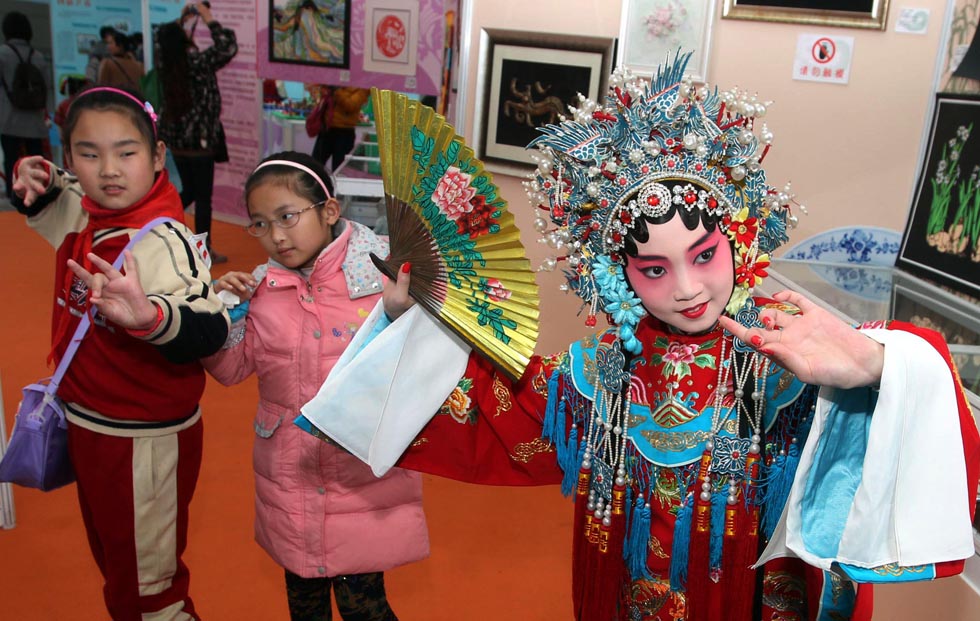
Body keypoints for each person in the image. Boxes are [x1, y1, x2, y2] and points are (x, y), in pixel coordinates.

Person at [302, 54, 980, 621]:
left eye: (705, 254)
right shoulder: (592, 376)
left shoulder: (782, 363)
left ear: (739, 239)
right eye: (654, 268)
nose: (686, 286)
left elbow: (897, 424)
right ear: (616, 275)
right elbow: (488, 401)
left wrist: (872, 365)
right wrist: (410, 317)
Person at [10, 86, 230, 620]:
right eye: (89, 153)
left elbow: (212, 327)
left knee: (151, 593)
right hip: (91, 427)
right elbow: (51, 200)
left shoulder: (163, 238)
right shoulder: (89, 213)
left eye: (126, 152)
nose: (108, 169)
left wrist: (151, 318)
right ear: (69, 159)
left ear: (157, 158)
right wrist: (30, 184)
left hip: (144, 442)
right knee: (119, 571)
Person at [203, 151, 428, 621]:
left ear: (328, 211)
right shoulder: (262, 289)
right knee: (304, 605)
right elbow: (229, 368)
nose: (277, 236)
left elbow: (419, 370)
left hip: (359, 476)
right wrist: (219, 316)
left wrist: (399, 317)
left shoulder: (383, 277)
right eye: (260, 224)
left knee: (364, 606)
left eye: (287, 217)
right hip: (290, 476)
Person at [156, 1, 237, 263]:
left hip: (178, 141)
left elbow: (171, 42)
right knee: (202, 198)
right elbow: (227, 47)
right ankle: (204, 250)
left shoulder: (166, 63)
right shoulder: (196, 62)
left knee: (189, 191)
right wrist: (207, 17)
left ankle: (157, 225)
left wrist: (182, 22)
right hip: (200, 142)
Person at [0, 11, 50, 198]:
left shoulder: (3, 53)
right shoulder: (37, 56)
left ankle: (14, 194)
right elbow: (45, 84)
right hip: (34, 118)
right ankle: (41, 193)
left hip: (9, 118)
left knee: (11, 159)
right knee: (36, 159)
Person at [311, 85, 369, 172]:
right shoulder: (333, 84)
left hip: (344, 133)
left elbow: (351, 105)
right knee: (314, 166)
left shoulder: (362, 87)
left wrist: (337, 91)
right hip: (326, 130)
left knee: (339, 170)